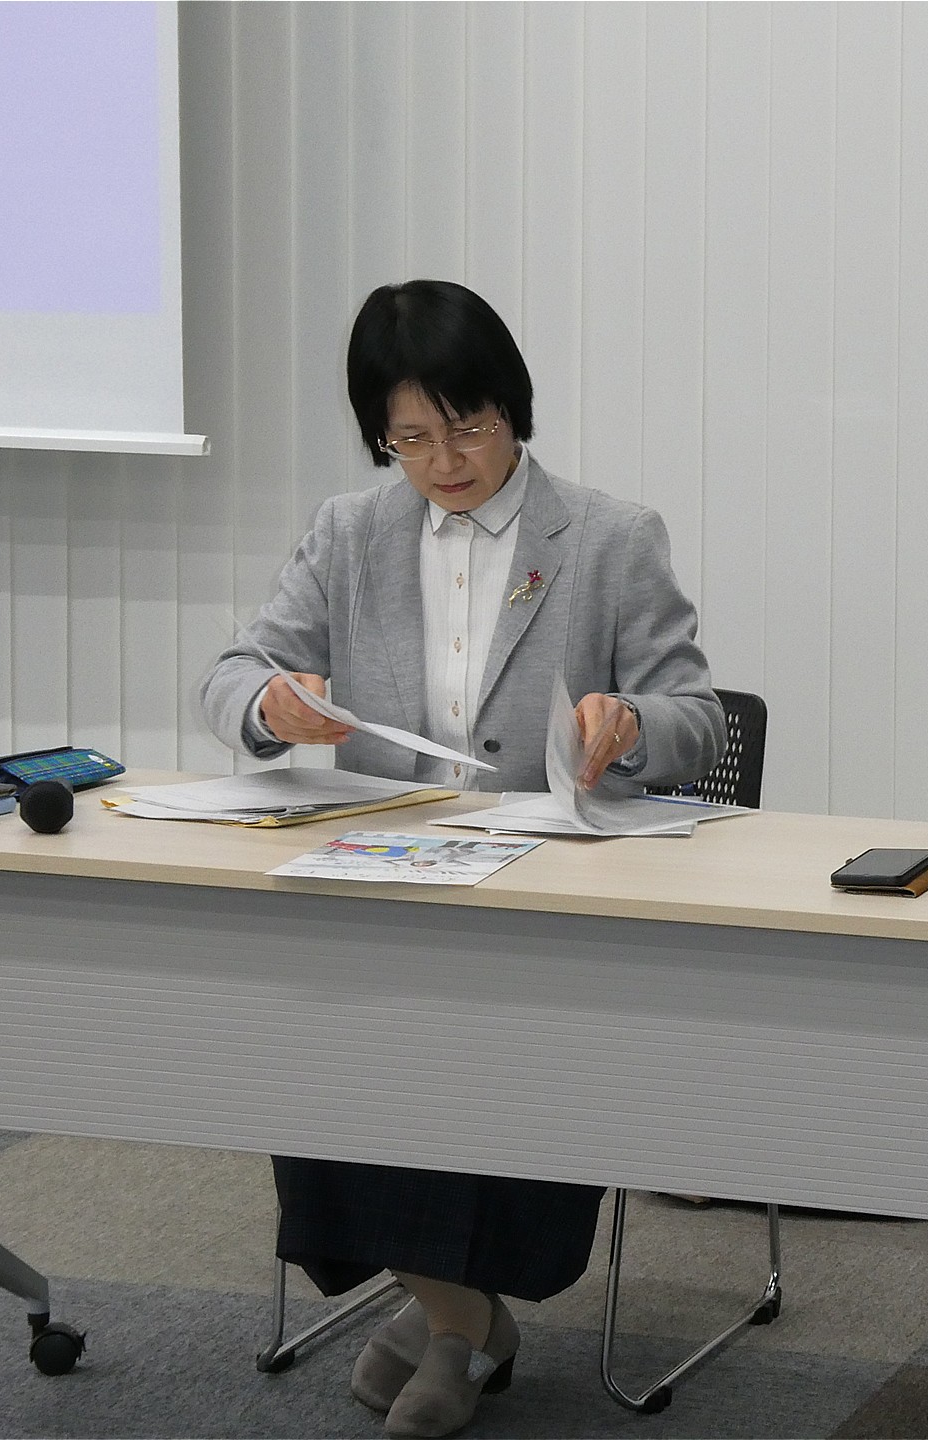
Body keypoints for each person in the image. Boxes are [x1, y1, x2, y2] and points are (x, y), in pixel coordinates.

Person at [201, 279, 724, 1438]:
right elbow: (235, 675)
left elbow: (697, 717)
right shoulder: (350, 535)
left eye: (468, 429)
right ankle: (462, 1319)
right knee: (321, 1037)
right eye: (411, 440)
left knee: (471, 1047)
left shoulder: (609, 537)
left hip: (545, 904)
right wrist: (272, 709)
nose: (444, 462)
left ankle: (454, 1321)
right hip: (384, 887)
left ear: (512, 409)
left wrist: (630, 725)